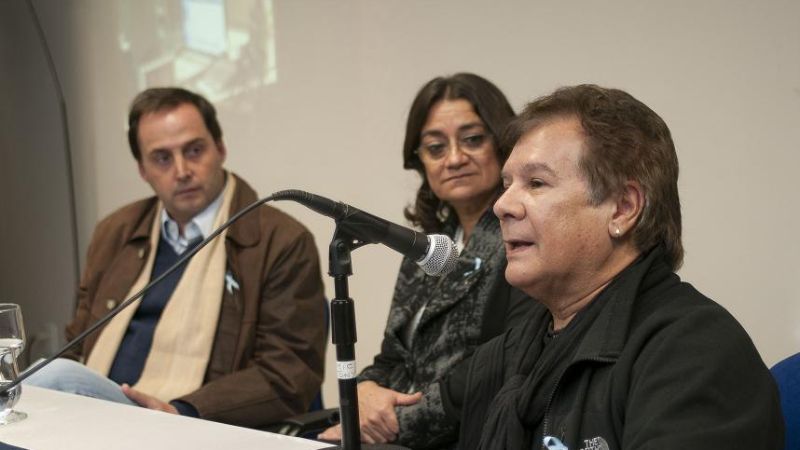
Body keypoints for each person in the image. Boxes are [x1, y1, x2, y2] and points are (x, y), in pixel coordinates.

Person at [437, 84, 784, 449]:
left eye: (536, 183)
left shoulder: (696, 352)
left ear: (623, 208)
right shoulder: (510, 353)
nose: (502, 206)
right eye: (507, 185)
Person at [26, 87, 326, 429]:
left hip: (194, 425)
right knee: (41, 384)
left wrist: (183, 411)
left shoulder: (281, 241)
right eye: (162, 158)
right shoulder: (116, 232)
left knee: (57, 376)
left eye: (194, 150)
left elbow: (287, 376)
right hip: (96, 418)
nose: (182, 170)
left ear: (220, 149)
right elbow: (79, 342)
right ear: (142, 170)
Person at [319, 73, 534, 447]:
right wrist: (364, 391)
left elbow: (500, 369)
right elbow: (392, 356)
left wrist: (392, 423)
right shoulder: (426, 247)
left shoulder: (523, 240)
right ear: (420, 162)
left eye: (472, 140)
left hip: (466, 436)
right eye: (436, 147)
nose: (453, 159)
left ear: (503, 145)